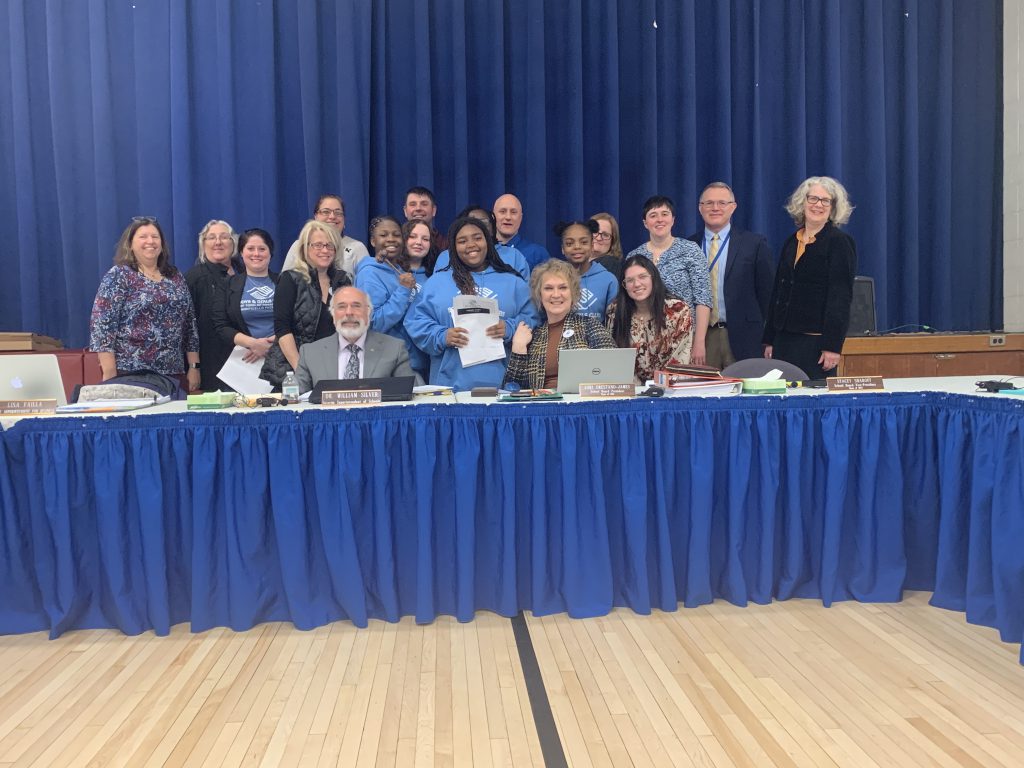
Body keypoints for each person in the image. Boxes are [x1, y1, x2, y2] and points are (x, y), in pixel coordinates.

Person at [404, 216, 536, 390]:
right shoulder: (436, 283)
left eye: (477, 238)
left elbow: (534, 319)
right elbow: (415, 322)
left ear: (488, 241)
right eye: (462, 240)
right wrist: (442, 336)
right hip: (450, 387)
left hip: (506, 387)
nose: (471, 244)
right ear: (453, 247)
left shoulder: (513, 283)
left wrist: (510, 328)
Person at [89, 217, 200, 390]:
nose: (150, 241)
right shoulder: (119, 275)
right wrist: (109, 373)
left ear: (162, 244)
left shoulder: (175, 276)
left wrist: (194, 367)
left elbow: (190, 325)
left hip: (173, 373)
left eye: (155, 237)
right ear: (130, 244)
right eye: (143, 237)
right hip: (130, 373)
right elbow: (102, 327)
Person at [763, 176, 857, 379]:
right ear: (802, 202)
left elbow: (840, 298)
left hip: (815, 345)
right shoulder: (791, 242)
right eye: (813, 198)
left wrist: (832, 346)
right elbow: (778, 292)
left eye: (825, 200)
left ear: (833, 207)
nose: (818, 205)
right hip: (784, 340)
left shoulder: (839, 243)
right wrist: (770, 339)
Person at [686, 182, 775, 367]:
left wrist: (770, 339)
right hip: (701, 338)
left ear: (733, 207)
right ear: (700, 208)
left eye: (722, 203)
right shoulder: (687, 246)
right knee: (704, 392)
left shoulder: (754, 244)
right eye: (709, 203)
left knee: (745, 393)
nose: (715, 208)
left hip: (746, 338)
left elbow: (768, 296)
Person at [261, 220, 352, 387]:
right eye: (318, 245)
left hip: (333, 370)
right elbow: (283, 329)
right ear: (305, 248)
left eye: (329, 245)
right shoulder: (290, 279)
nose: (325, 250)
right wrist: (302, 371)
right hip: (294, 370)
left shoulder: (342, 281)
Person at [626, 195, 712, 365]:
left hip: (683, 339)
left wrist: (699, 342)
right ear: (645, 223)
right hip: (643, 342)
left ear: (673, 220)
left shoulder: (690, 250)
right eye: (653, 215)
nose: (659, 220)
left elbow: (703, 298)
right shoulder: (634, 256)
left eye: (664, 214)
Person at [504, 259, 615, 390]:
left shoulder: (590, 325)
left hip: (582, 404)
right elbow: (512, 389)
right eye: (548, 288)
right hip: (542, 406)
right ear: (539, 295)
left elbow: (613, 372)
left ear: (573, 293)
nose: (556, 295)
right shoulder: (533, 335)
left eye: (563, 287)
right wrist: (519, 348)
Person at [294, 287, 420, 392]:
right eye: (341, 307)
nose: (349, 313)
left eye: (356, 306)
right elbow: (296, 402)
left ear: (368, 313)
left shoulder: (394, 349)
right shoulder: (310, 353)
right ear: (333, 315)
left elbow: (408, 397)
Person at [354, 216, 429, 380]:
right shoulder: (369, 273)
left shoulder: (400, 271)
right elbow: (373, 324)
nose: (391, 239)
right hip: (386, 367)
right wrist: (403, 291)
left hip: (412, 362)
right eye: (384, 235)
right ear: (373, 241)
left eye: (396, 235)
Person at [607, 255, 693, 384]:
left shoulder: (678, 310)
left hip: (671, 387)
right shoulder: (615, 310)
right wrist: (637, 391)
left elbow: (681, 358)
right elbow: (614, 356)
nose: (636, 284)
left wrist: (655, 389)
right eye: (629, 280)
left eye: (642, 277)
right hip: (631, 390)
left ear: (654, 278)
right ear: (624, 286)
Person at [211, 228, 279, 381]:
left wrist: (271, 344)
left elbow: (295, 321)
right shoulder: (227, 284)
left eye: (262, 249)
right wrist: (253, 344)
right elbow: (220, 325)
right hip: (243, 364)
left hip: (280, 360)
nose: (256, 254)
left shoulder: (285, 282)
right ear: (241, 252)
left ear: (270, 253)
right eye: (250, 248)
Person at [184, 220, 240, 391]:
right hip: (210, 364)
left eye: (224, 237)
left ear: (233, 243)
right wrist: (195, 367)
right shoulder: (194, 278)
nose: (218, 242)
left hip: (246, 363)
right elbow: (187, 327)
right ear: (203, 244)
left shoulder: (245, 273)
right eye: (211, 238)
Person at [430, 204, 531, 280]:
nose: (478, 226)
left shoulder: (514, 256)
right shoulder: (446, 257)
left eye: (483, 222)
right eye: (471, 222)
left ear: (493, 226)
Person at [282, 194, 370, 278]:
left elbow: (366, 286)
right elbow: (286, 280)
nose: (332, 216)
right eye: (325, 212)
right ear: (316, 216)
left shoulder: (357, 248)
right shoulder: (300, 245)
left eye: (338, 213)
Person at [557, 219, 618, 321]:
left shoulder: (608, 280)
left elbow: (614, 322)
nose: (577, 247)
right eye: (569, 243)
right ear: (562, 248)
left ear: (592, 246)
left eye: (584, 242)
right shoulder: (555, 279)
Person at [493, 193, 552, 269]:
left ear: (520, 217)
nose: (508, 217)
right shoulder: (484, 251)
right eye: (503, 211)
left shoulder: (537, 254)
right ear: (493, 216)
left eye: (513, 212)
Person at [403, 185, 448, 260]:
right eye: (413, 204)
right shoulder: (397, 241)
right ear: (405, 211)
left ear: (433, 210)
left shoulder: (446, 245)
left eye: (424, 204)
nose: (418, 208)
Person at [590, 212, 624, 277]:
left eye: (605, 235)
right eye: (594, 232)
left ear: (613, 241)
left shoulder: (611, 264)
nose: (599, 238)